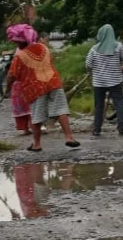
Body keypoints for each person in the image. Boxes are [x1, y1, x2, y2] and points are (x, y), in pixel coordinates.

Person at [5, 24, 80, 152]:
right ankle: (69, 137)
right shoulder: (44, 48)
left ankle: (37, 144)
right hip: (53, 82)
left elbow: (12, 75)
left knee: (36, 116)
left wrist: (7, 88)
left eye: (16, 42)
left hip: (35, 88)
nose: (16, 44)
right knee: (61, 110)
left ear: (20, 42)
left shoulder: (20, 56)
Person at [85, 24, 123, 137]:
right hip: (115, 81)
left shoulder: (94, 49)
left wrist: (92, 73)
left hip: (99, 82)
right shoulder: (118, 46)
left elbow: (88, 65)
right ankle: (121, 127)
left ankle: (97, 129)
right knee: (119, 104)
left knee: (99, 105)